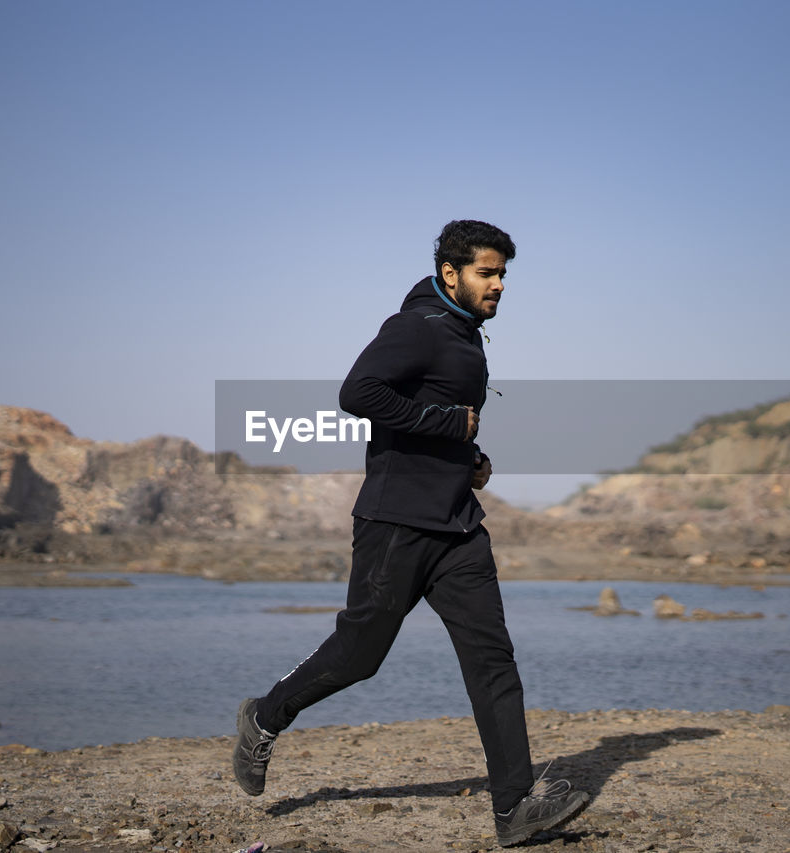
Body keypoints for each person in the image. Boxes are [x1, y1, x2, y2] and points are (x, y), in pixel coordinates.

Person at [232, 220, 589, 847]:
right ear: (450, 274)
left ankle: (514, 809)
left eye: (503, 274)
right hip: (396, 523)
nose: (499, 285)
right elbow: (356, 393)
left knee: (492, 660)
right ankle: (265, 715)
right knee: (359, 657)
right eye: (487, 272)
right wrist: (447, 425)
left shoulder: (467, 337)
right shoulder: (415, 329)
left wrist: (470, 459)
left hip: (457, 528)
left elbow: (443, 421)